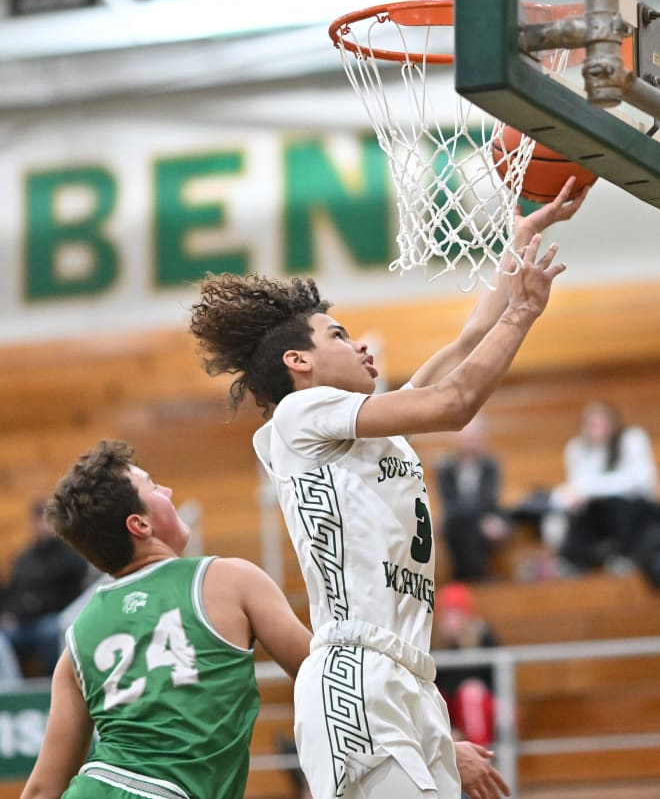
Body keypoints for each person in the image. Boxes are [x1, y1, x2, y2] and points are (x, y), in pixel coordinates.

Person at [190, 178, 586, 799]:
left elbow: (465, 344)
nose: (363, 344)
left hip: (411, 679)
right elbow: (455, 402)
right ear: (301, 363)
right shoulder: (301, 417)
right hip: (355, 671)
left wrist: (520, 237)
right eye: (339, 335)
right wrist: (524, 311)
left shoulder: (374, 432)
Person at [19, 438, 312, 799]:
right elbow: (320, 673)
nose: (169, 490)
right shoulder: (229, 579)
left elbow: (41, 790)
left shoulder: (78, 637)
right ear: (140, 525)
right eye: (154, 486)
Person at [543, 400, 659, 573]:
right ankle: (572, 563)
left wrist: (589, 488)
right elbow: (577, 487)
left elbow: (639, 480)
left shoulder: (631, 439)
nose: (595, 428)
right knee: (580, 513)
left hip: (634, 511)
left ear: (613, 423)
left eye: (600, 422)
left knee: (620, 506)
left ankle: (626, 557)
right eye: (590, 424)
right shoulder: (577, 448)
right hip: (598, 514)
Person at [0, 497, 90, 677]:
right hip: (23, 621)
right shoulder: (24, 558)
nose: (42, 525)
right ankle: (11, 689)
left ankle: (52, 683)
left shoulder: (71, 554)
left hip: (54, 618)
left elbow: (73, 594)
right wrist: (9, 615)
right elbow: (13, 592)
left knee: (49, 632)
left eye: (47, 519)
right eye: (38, 519)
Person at [435, 416, 509, 581]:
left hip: (482, 517)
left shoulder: (490, 465)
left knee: (488, 526)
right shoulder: (445, 467)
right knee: (459, 524)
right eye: (466, 437)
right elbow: (448, 500)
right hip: (460, 520)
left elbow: (489, 499)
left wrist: (478, 517)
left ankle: (464, 578)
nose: (469, 442)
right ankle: (478, 577)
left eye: (473, 436)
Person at [432, 583, 498, 750]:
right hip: (454, 712)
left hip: (480, 710)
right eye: (447, 615)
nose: (451, 621)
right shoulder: (436, 647)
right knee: (434, 698)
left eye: (456, 614)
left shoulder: (484, 640)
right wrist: (453, 728)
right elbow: (439, 689)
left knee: (471, 693)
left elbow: (496, 684)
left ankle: (481, 754)